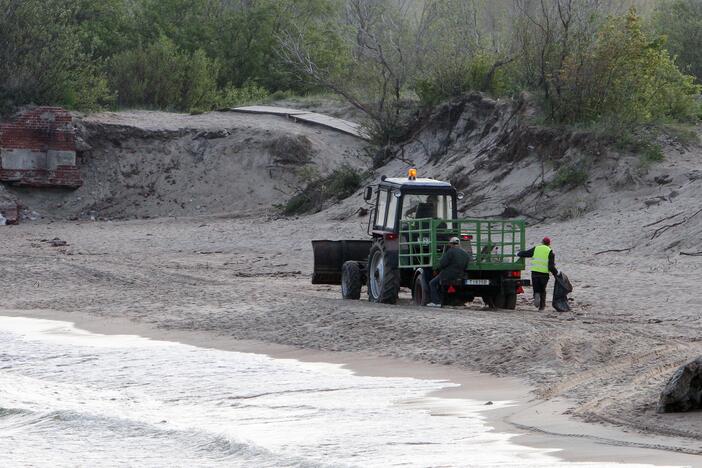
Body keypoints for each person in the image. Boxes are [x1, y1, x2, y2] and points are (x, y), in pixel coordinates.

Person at [427, 237, 471, 307]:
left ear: (450, 244)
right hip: (460, 274)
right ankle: (457, 302)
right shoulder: (465, 254)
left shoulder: (450, 251)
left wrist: (437, 270)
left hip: (447, 274)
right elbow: (466, 266)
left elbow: (443, 264)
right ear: (459, 244)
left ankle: (436, 302)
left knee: (432, 283)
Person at [518, 236, 558, 311]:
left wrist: (519, 253)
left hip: (535, 273)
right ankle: (542, 307)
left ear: (542, 242)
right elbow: (551, 266)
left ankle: (536, 294)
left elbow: (526, 253)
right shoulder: (550, 251)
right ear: (549, 244)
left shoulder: (536, 248)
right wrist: (556, 274)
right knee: (543, 290)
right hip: (544, 274)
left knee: (536, 288)